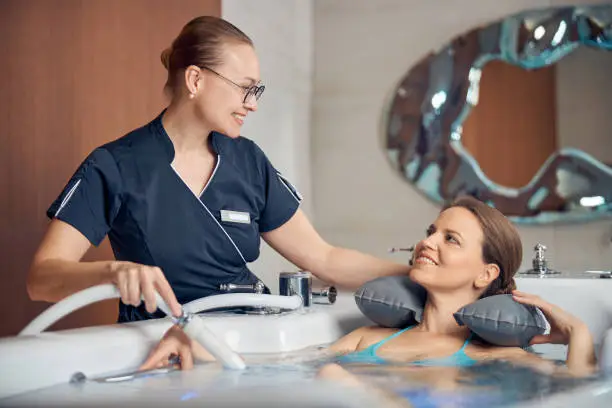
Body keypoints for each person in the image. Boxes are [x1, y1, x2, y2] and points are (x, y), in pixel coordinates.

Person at [26, 16, 410, 323]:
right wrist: (113, 272)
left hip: (250, 337)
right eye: (245, 88)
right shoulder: (114, 166)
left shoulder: (248, 161)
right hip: (168, 346)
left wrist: (418, 275)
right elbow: (41, 279)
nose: (252, 104)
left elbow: (325, 259)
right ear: (195, 79)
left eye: (256, 91)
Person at [140, 196, 597, 378]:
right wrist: (199, 343)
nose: (426, 242)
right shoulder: (368, 338)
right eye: (431, 230)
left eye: (449, 239)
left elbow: (573, 391)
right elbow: (275, 367)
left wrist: (577, 332)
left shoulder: (494, 354)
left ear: (486, 274)